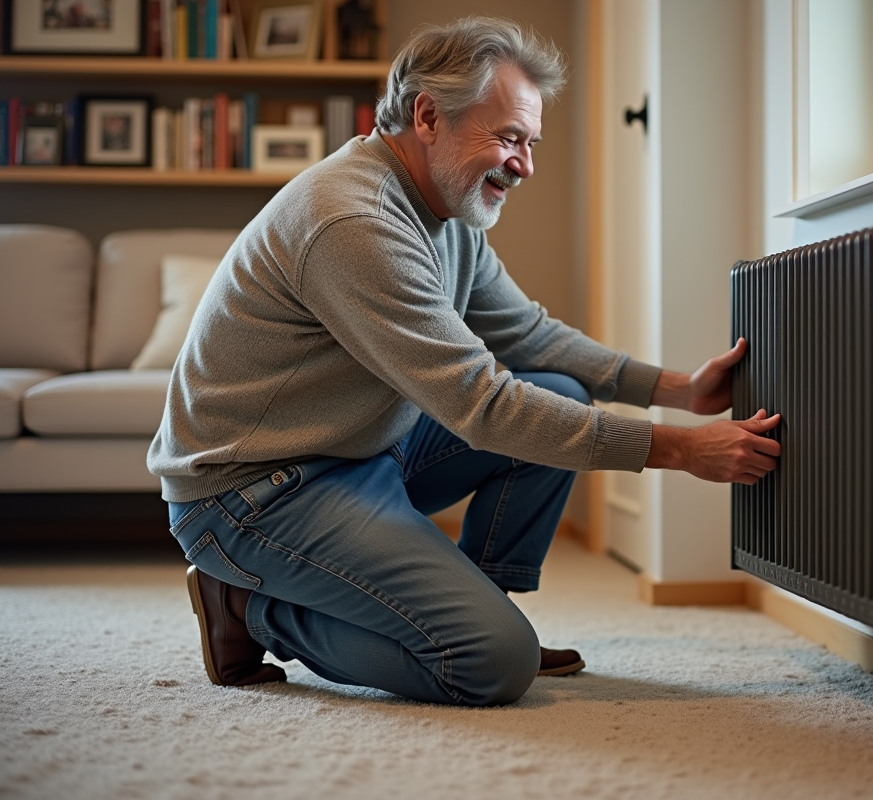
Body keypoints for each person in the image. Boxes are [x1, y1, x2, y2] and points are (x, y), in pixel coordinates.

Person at [148, 16, 781, 706]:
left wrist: (678, 389)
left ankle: (473, 606)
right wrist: (680, 450)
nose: (525, 163)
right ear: (428, 115)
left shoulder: (446, 212)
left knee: (561, 390)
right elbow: (481, 407)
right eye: (509, 137)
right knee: (488, 664)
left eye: (530, 142)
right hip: (256, 494)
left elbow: (531, 337)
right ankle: (247, 606)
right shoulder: (354, 222)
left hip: (359, 451)